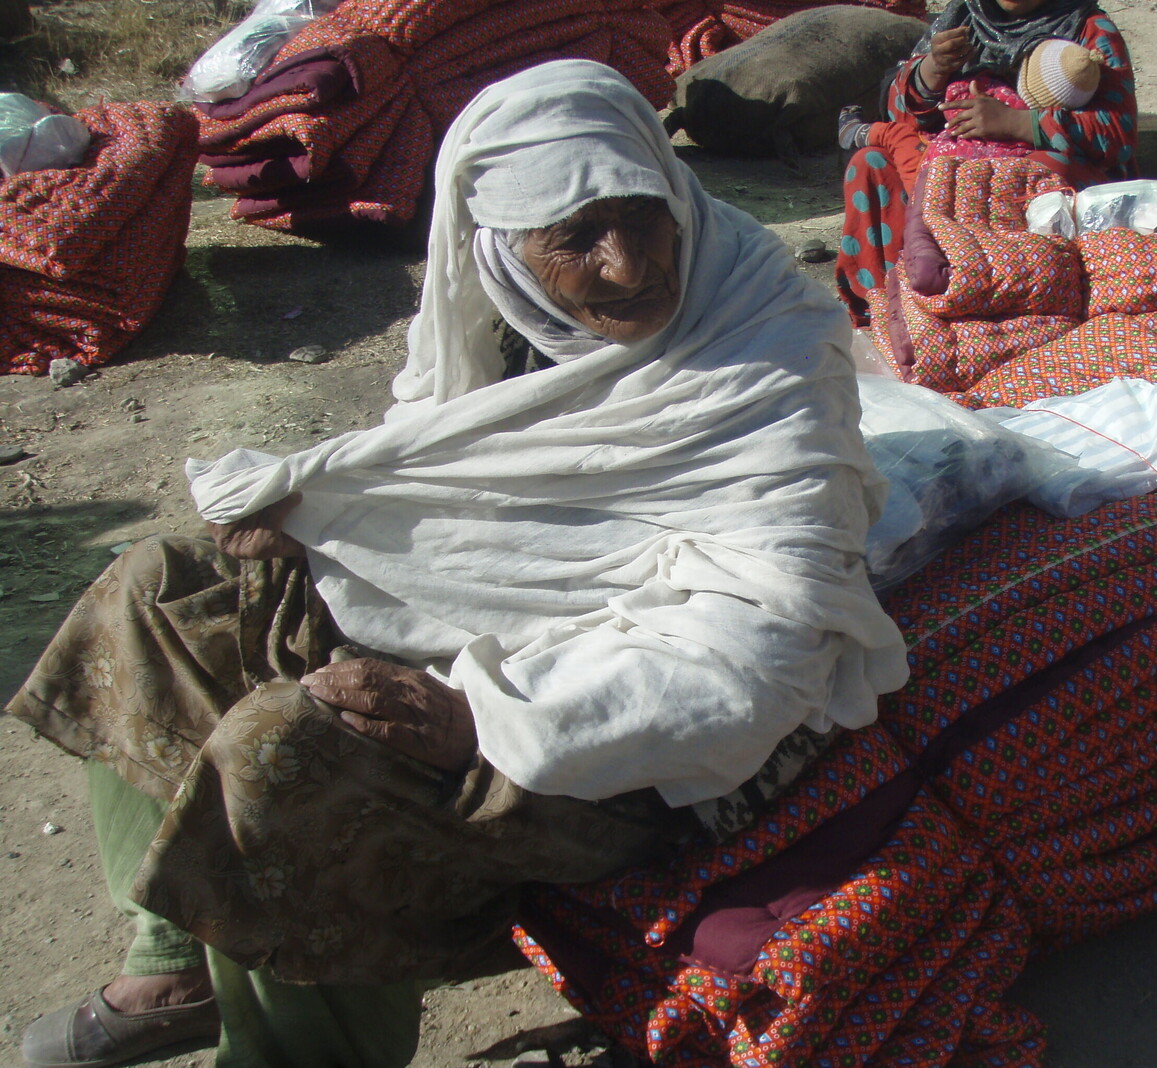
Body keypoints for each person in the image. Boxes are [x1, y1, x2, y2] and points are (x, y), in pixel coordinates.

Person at [10, 59, 909, 1068]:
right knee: (162, 590)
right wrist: (324, 516)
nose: (628, 263)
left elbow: (764, 646)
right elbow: (445, 464)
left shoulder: (758, 338)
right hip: (498, 642)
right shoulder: (495, 300)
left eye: (642, 213)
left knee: (288, 752)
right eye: (575, 238)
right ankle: (176, 954)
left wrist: (480, 717)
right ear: (504, 246)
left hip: (658, 746)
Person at [834, 0, 1138, 323]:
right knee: (870, 165)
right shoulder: (962, 18)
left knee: (1033, 172)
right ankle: (893, 309)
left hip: (1034, 169)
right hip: (946, 160)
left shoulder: (1088, 29)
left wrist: (1018, 123)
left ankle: (1010, 304)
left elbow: (1117, 134)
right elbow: (899, 114)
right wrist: (933, 69)